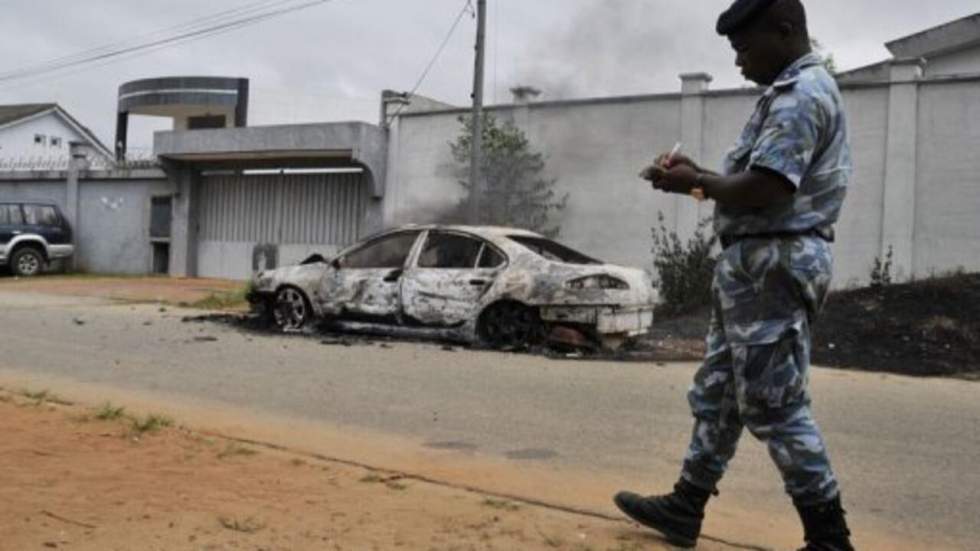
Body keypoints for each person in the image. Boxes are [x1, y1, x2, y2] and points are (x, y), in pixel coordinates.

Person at [614, 1, 854, 550]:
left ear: (786, 30)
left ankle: (830, 538)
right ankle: (686, 505)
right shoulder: (787, 94)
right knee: (721, 392)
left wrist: (693, 183)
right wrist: (698, 178)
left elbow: (767, 188)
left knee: (775, 402)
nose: (740, 63)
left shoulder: (801, 98)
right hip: (755, 264)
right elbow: (752, 181)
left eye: (745, 49)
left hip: (773, 263)